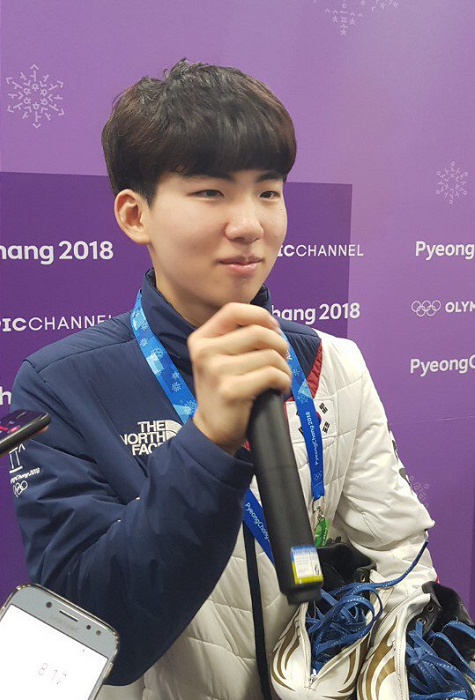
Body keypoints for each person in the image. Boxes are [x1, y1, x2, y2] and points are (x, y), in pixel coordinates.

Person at [10, 60, 436, 700]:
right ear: (135, 215)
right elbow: (93, 634)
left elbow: (399, 555)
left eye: (268, 192)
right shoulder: (60, 385)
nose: (250, 225)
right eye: (211, 192)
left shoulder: (333, 362)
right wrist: (208, 442)